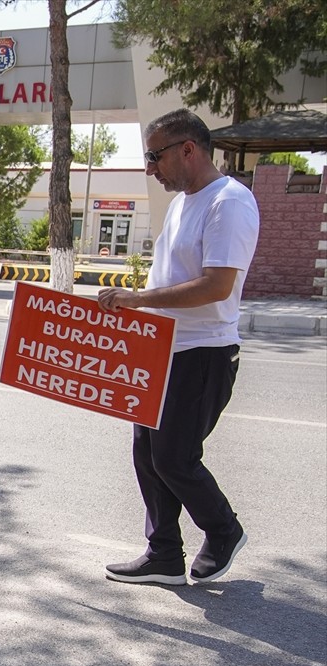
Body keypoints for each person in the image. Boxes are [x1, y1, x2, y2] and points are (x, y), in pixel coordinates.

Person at [98, 108, 259, 586]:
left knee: (174, 456)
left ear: (188, 149)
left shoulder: (228, 202)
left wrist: (138, 300)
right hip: (160, 351)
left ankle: (224, 529)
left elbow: (215, 286)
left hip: (202, 352)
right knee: (147, 453)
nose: (150, 168)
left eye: (154, 156)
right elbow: (170, 278)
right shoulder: (183, 204)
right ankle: (164, 554)